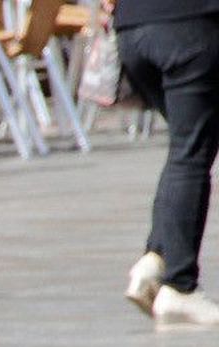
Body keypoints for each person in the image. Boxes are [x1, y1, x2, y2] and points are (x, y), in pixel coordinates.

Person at [116, 0, 219, 327]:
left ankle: (157, 257)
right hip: (189, 26)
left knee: (185, 149)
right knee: (191, 155)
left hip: (132, 29)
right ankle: (179, 284)